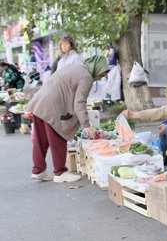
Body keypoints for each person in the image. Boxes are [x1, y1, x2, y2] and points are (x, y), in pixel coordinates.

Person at [25, 55, 110, 183]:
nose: (100, 78)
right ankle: (60, 172)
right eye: (101, 74)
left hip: (39, 102)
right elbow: (79, 102)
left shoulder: (74, 67)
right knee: (59, 137)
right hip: (53, 107)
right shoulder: (86, 77)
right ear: (96, 68)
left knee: (40, 140)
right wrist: (86, 125)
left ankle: (38, 170)